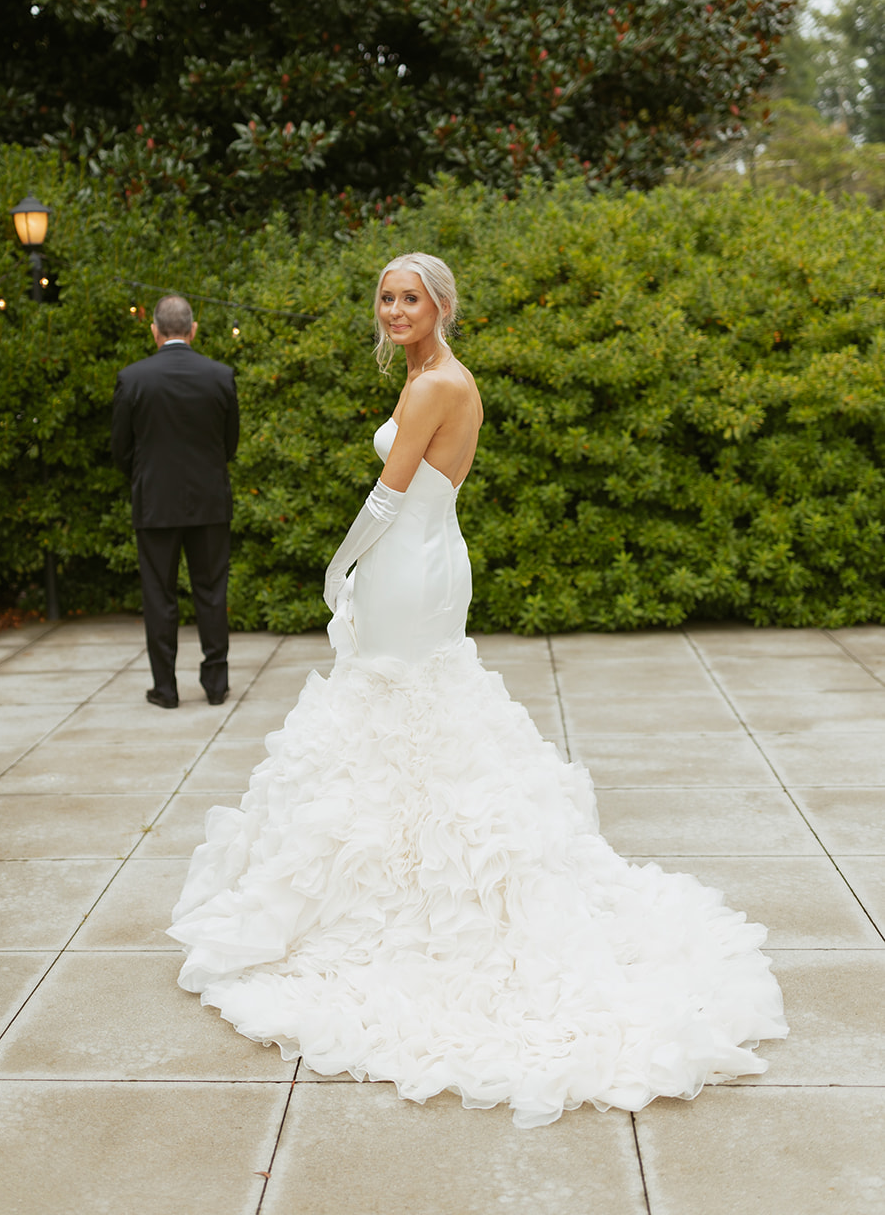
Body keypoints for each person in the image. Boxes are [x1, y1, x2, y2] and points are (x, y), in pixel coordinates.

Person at [168, 254, 786, 1128]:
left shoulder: (434, 385)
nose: (393, 310)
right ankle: (395, 867)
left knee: (399, 702)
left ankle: (420, 893)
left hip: (406, 564)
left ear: (441, 306)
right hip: (428, 560)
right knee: (406, 710)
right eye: (385, 297)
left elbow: (387, 500)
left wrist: (337, 569)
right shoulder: (433, 373)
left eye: (408, 299)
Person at [111, 293, 239, 709]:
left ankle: (165, 689)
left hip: (155, 503)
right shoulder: (220, 376)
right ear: (193, 330)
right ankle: (216, 685)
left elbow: (120, 449)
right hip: (209, 502)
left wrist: (145, 478)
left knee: (158, 596)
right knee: (211, 592)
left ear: (155, 331)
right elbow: (230, 444)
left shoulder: (133, 379)